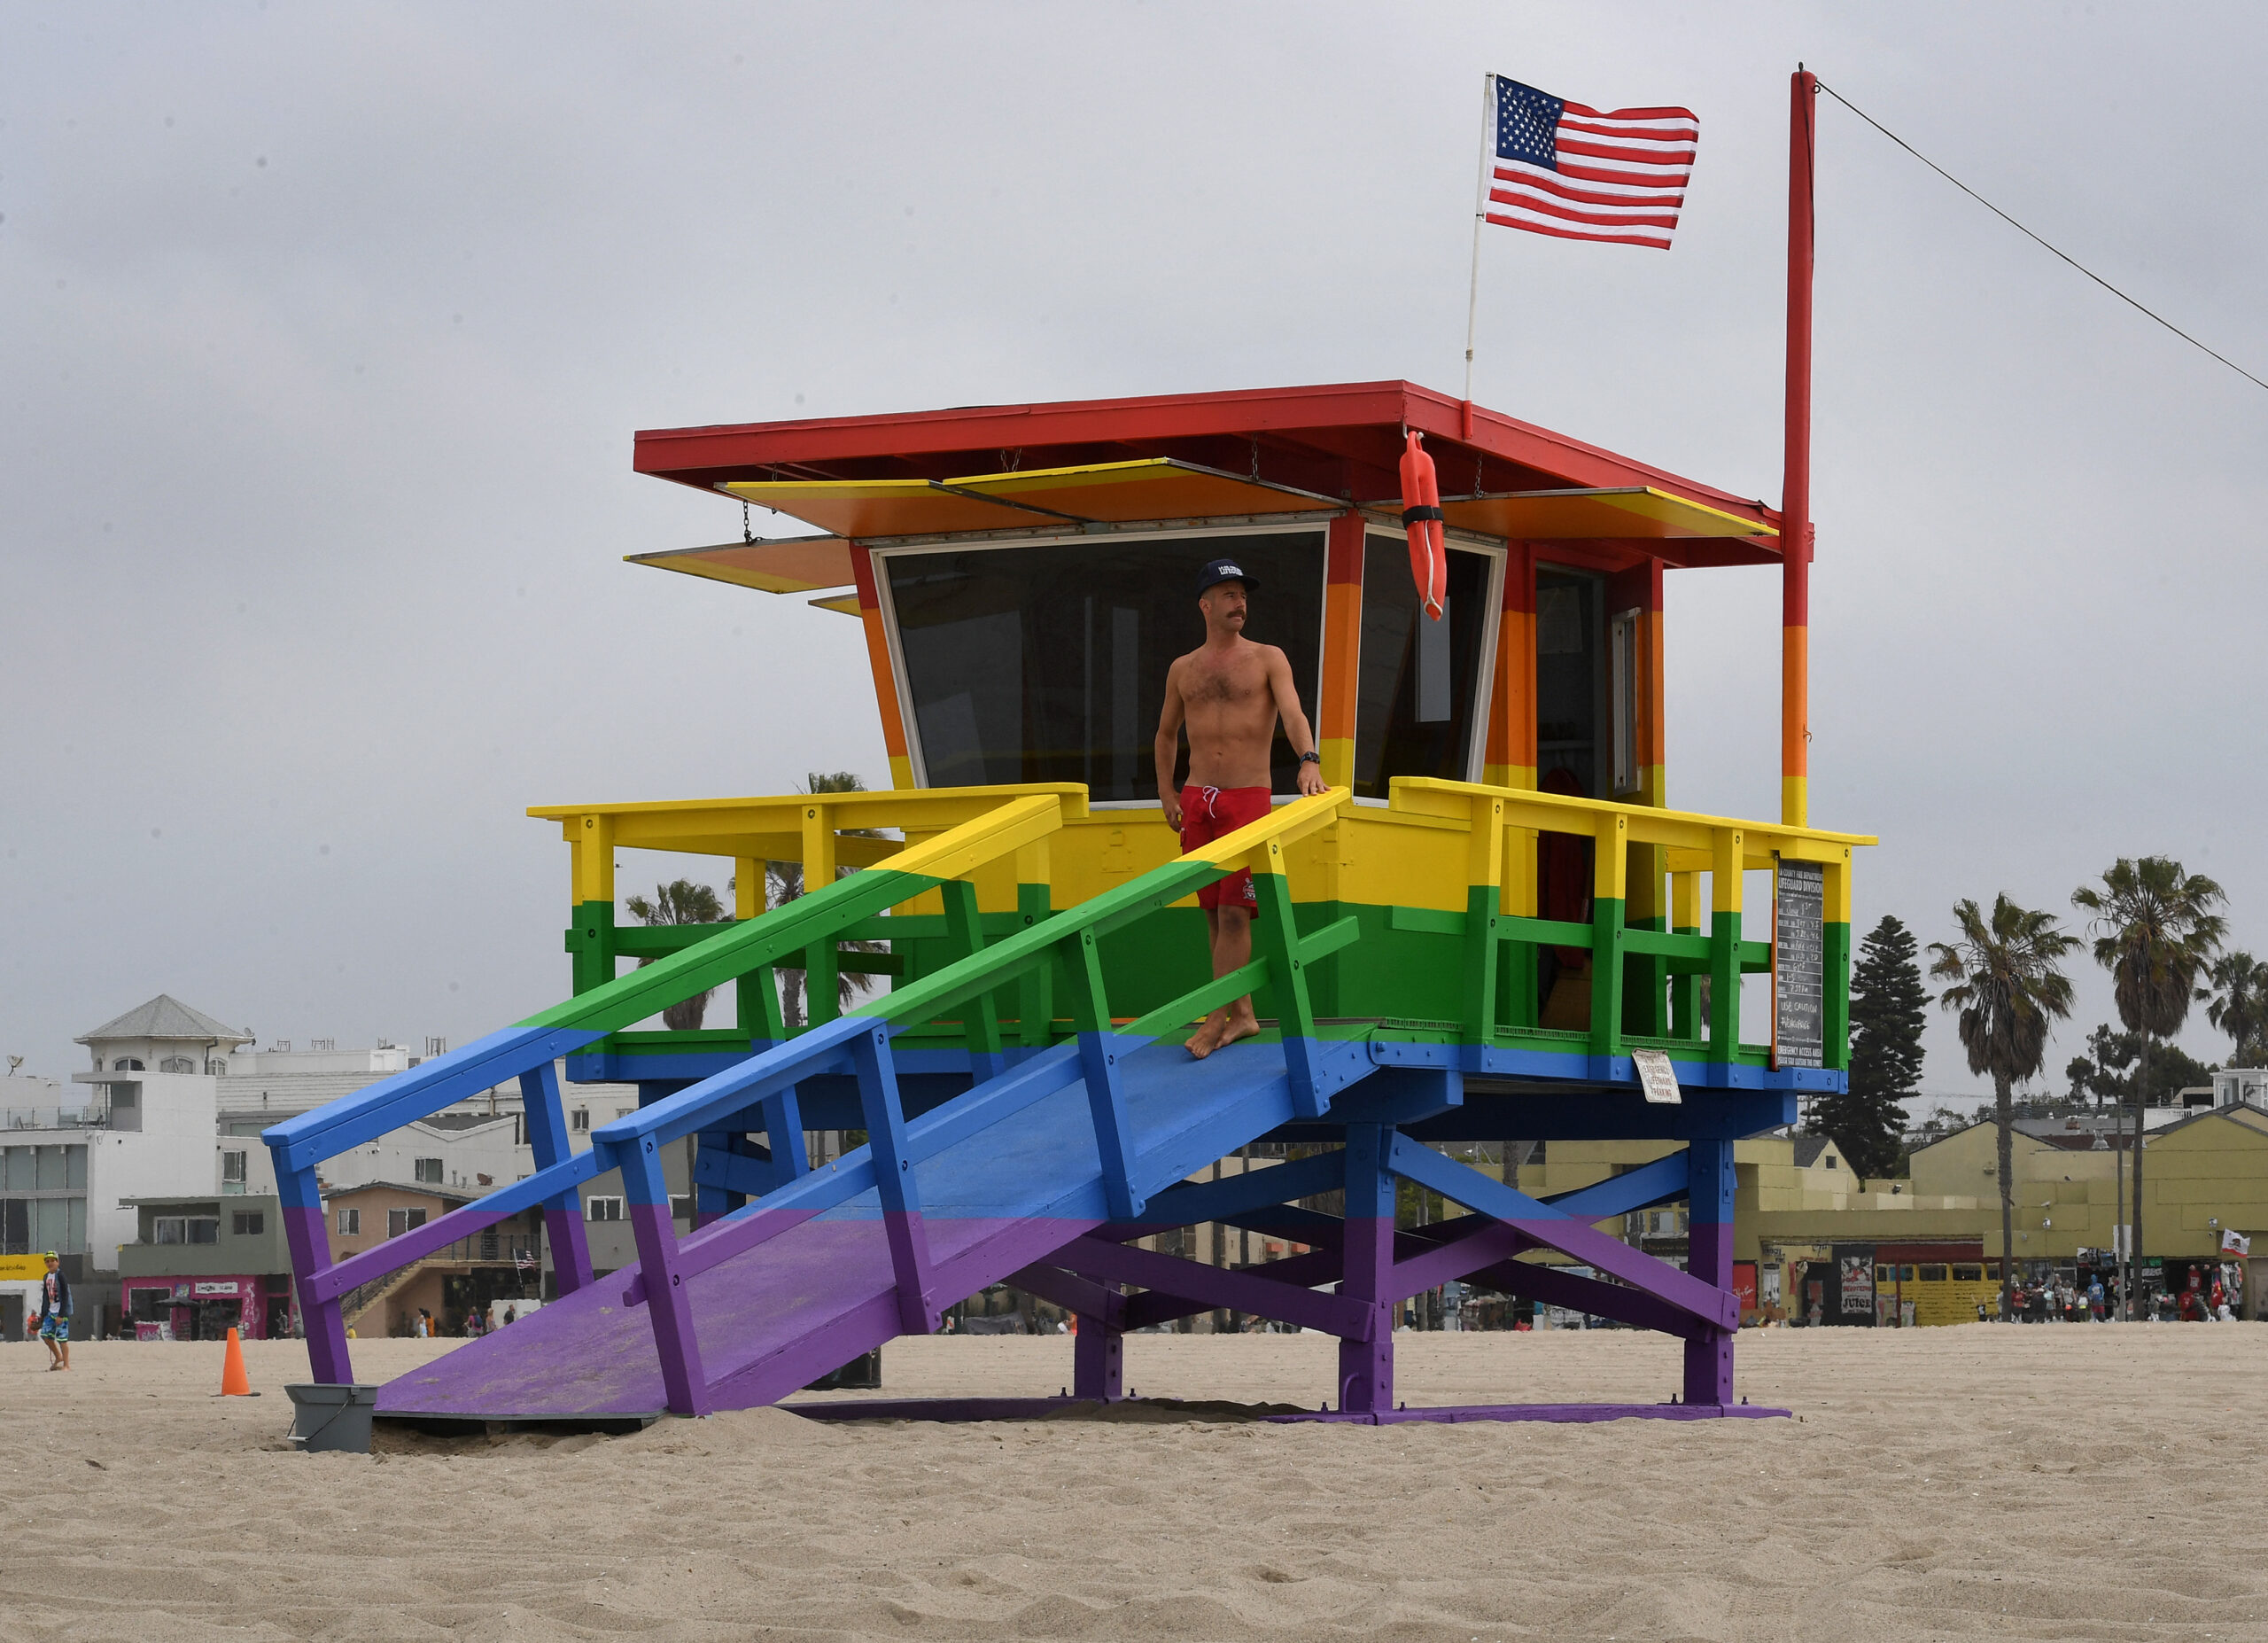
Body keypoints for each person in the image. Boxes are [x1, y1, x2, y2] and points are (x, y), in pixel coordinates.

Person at [1153, 557, 1328, 1058]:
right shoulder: (1182, 668)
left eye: (1243, 594)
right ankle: (1244, 1015)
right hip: (1197, 799)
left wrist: (1309, 761)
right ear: (1205, 605)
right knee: (1212, 914)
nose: (1240, 602)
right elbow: (1166, 735)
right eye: (1228, 594)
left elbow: (1293, 713)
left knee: (1234, 915)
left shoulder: (1268, 657)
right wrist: (1167, 793)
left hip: (1246, 801)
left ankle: (1214, 1018)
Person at [34, 1253, 70, 1371]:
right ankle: (58, 1357)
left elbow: (65, 1295)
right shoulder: (46, 1277)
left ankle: (66, 1365)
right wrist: (43, 1314)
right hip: (50, 1311)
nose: (50, 1263)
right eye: (47, 1261)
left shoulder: (61, 1276)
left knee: (62, 1339)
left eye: (52, 1261)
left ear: (57, 1262)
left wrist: (61, 1314)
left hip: (60, 1312)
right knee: (45, 1335)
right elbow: (45, 1296)